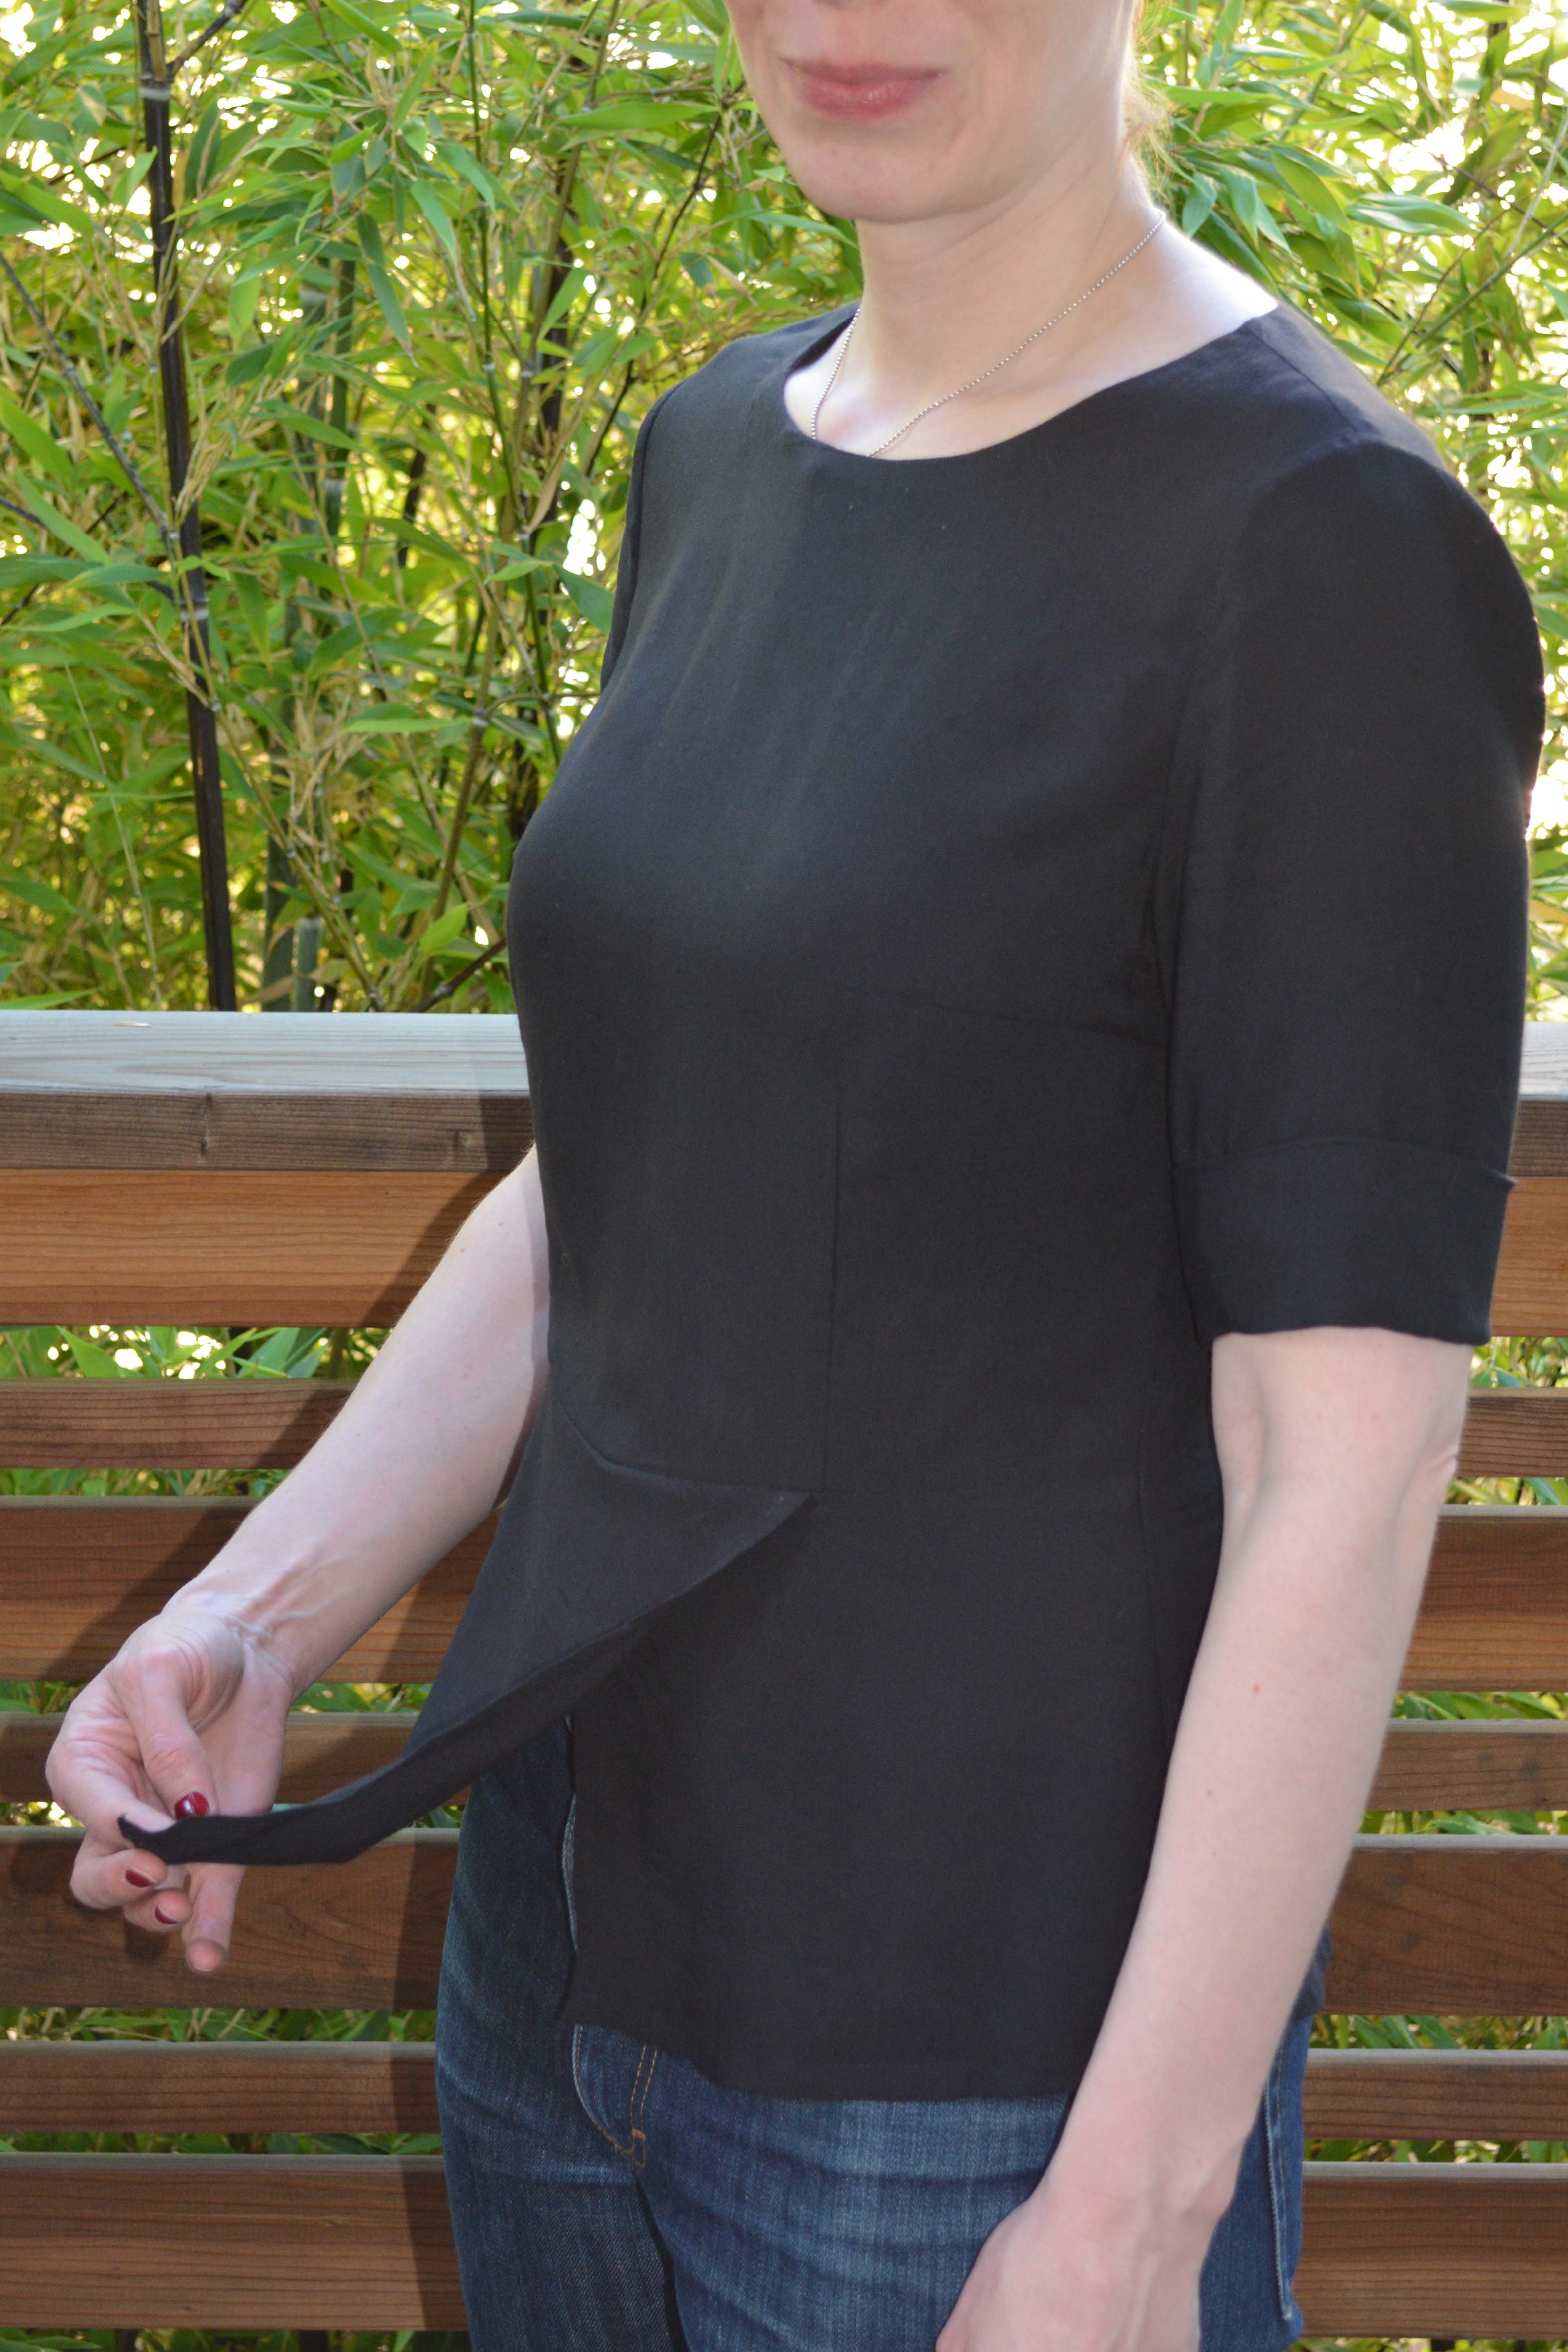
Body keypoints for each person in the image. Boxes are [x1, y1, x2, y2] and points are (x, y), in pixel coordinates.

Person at [46, 0, 1543, 2346]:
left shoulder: (1323, 548)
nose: (849, 19)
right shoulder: (717, 448)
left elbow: (1338, 1467)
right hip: (566, 1946)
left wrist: (1125, 2223)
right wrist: (261, 1617)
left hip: (978, 2082)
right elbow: (631, 1169)